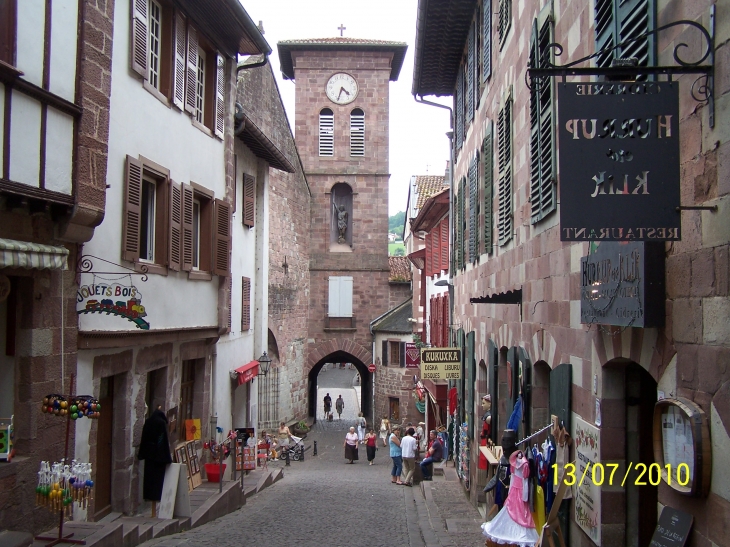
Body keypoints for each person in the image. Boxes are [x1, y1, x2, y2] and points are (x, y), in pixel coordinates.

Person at [481, 450, 539, 546]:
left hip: (517, 494)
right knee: (512, 516)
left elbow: (524, 482)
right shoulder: (513, 464)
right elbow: (513, 479)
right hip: (514, 493)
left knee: (519, 517)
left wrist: (524, 497)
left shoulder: (523, 465)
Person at [137, 406, 173, 516]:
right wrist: (166, 457)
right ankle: (155, 506)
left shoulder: (148, 422)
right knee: (157, 482)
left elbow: (144, 439)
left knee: (149, 480)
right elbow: (162, 441)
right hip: (158, 457)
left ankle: (151, 502)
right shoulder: (161, 423)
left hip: (149, 456)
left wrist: (142, 453)